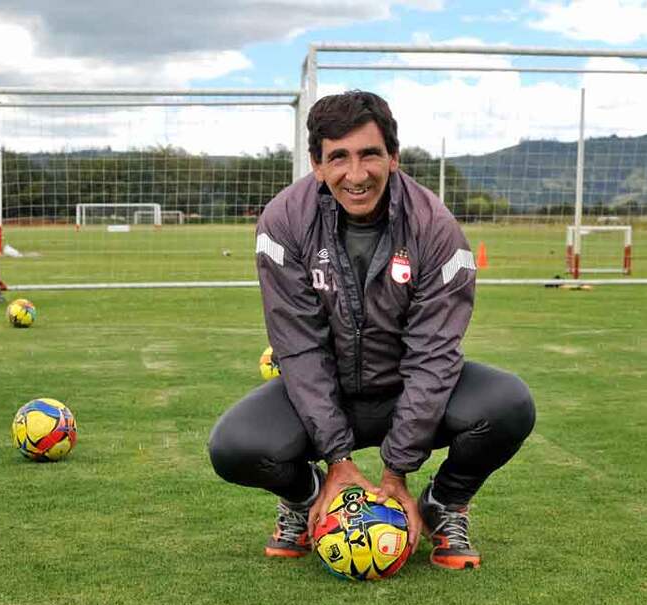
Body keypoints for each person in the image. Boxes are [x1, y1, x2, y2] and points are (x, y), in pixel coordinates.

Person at [208, 90, 535, 570]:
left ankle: (444, 505)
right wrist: (338, 462)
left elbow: (433, 355)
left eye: (369, 155)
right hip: (325, 392)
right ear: (317, 164)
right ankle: (310, 499)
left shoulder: (436, 228)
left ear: (394, 158)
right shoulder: (282, 222)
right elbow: (298, 348)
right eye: (338, 157)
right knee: (234, 446)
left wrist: (396, 471)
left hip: (407, 391)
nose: (356, 175)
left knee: (508, 404)